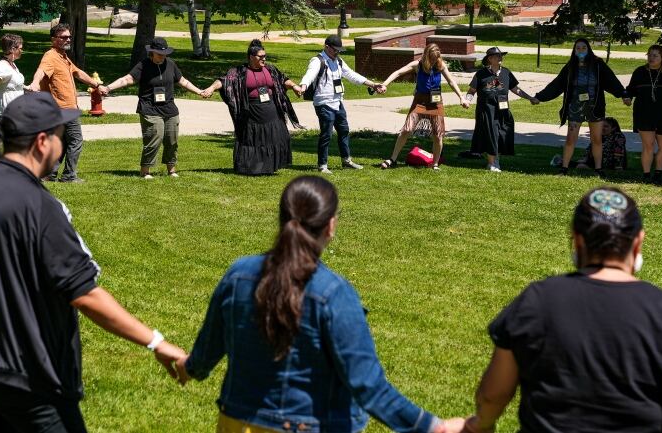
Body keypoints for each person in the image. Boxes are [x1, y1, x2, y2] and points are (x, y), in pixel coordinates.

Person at [0, 93, 186, 432]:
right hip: (25, 375)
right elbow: (84, 293)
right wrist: (156, 341)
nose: (63, 143)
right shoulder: (38, 206)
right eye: (59, 135)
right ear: (42, 141)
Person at [175, 176, 465, 433]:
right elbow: (369, 387)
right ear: (331, 226)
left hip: (236, 422)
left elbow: (202, 358)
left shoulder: (238, 275)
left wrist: (185, 365)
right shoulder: (334, 294)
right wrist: (434, 427)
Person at [462, 187, 662, 433]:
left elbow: (493, 395)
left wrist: (479, 424)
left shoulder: (537, 301)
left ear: (577, 240)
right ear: (638, 242)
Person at [99, 37, 205, 178]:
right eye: (159, 54)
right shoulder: (143, 65)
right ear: (152, 53)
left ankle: (171, 170)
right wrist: (108, 88)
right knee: (154, 137)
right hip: (149, 108)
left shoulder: (171, 64)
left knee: (171, 140)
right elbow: (127, 79)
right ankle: (145, 171)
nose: (162, 56)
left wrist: (199, 91)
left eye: (164, 54)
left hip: (169, 109)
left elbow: (183, 81)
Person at [202, 39, 302, 175]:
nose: (264, 59)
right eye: (260, 56)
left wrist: (295, 86)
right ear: (251, 57)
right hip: (252, 111)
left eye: (265, 56)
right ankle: (251, 167)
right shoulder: (240, 71)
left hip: (271, 108)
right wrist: (211, 88)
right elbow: (224, 80)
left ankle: (269, 167)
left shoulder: (270, 69)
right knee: (253, 139)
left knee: (275, 137)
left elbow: (283, 79)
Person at [534, 38, 628, 176]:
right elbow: (557, 84)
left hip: (594, 107)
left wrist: (623, 94)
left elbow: (611, 80)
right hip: (575, 106)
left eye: (584, 48)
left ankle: (598, 169)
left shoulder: (598, 64)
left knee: (596, 139)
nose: (581, 50)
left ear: (588, 49)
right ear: (574, 50)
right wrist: (540, 97)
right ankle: (564, 169)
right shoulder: (570, 66)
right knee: (571, 138)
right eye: (578, 48)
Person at [28, 23, 101, 183]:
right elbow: (41, 71)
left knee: (62, 141)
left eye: (69, 37)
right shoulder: (50, 56)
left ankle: (49, 174)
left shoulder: (63, 57)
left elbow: (78, 73)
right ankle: (69, 175)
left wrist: (96, 85)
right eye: (63, 37)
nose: (68, 39)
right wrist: (34, 83)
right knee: (75, 140)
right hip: (63, 108)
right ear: (54, 39)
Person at [298, 35, 383, 174]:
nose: (337, 52)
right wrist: (303, 86)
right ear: (326, 47)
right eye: (335, 49)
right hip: (324, 102)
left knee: (344, 130)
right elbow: (310, 74)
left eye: (339, 50)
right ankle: (322, 165)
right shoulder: (317, 61)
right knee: (326, 134)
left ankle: (346, 160)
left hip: (337, 101)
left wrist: (372, 84)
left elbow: (352, 75)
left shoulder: (339, 61)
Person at [379, 43, 469, 170]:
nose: (434, 61)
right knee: (407, 129)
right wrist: (385, 84)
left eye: (436, 58)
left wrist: (461, 97)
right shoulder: (418, 64)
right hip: (420, 101)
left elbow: (451, 81)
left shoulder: (440, 64)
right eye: (432, 58)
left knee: (438, 134)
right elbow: (398, 72)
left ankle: (435, 164)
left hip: (435, 101)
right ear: (426, 55)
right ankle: (393, 159)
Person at [466, 47, 538, 172]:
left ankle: (495, 157)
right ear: (490, 59)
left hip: (503, 110)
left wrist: (530, 98)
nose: (500, 58)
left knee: (503, 133)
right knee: (491, 134)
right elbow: (471, 91)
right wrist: (467, 100)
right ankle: (492, 163)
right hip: (487, 110)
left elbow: (516, 89)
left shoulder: (506, 72)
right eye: (497, 56)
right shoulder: (481, 74)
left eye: (501, 56)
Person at [626, 45, 662, 185]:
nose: (651, 58)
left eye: (655, 55)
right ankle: (646, 175)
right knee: (648, 145)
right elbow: (630, 90)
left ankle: (658, 174)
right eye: (650, 55)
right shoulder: (640, 72)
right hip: (644, 114)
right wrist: (627, 97)